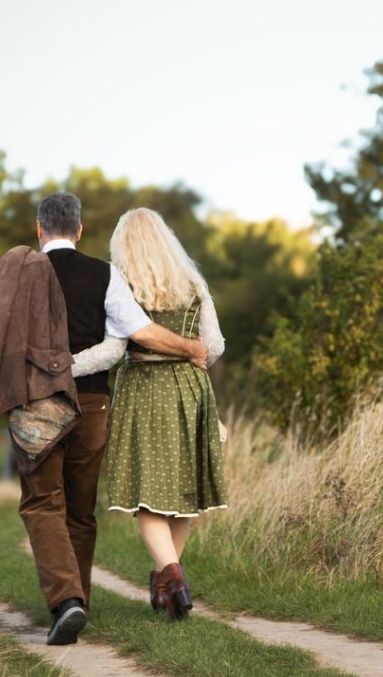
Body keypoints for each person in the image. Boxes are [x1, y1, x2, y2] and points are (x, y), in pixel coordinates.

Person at [0, 192, 209, 645]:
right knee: (80, 511)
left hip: (35, 405)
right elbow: (129, 338)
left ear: (39, 229)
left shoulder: (11, 275)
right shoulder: (105, 275)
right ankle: (80, 603)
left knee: (42, 504)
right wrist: (192, 348)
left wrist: (40, 362)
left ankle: (66, 602)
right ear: (79, 231)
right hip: (92, 406)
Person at [96, 207, 228, 621]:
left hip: (144, 392)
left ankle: (175, 582)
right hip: (189, 390)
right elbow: (215, 346)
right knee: (182, 496)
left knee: (149, 500)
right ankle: (166, 585)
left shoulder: (122, 287)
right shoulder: (194, 284)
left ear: (124, 246)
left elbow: (115, 348)